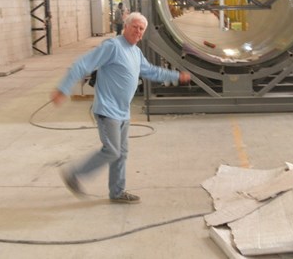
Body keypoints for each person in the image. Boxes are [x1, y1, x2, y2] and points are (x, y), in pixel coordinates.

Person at [51, 12, 191, 203]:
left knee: (121, 153)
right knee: (112, 150)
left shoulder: (135, 51)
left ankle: (117, 192)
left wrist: (176, 76)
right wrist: (63, 88)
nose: (138, 32)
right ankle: (74, 174)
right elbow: (83, 64)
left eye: (142, 29)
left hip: (123, 112)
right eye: (135, 27)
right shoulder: (113, 46)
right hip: (107, 111)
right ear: (125, 26)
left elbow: (151, 71)